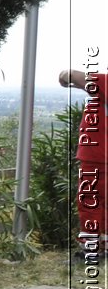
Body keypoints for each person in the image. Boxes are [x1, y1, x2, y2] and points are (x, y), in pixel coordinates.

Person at [60, 68, 104, 257]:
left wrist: (67, 77)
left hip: (96, 156)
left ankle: (91, 248)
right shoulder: (102, 87)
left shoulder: (104, 82)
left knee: (89, 202)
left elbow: (69, 75)